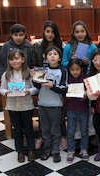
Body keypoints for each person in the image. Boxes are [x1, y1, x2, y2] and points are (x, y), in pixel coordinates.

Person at [31, 20, 67, 150]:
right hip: (41, 81)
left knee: (58, 112)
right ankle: (42, 137)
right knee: (44, 113)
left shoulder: (61, 45)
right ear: (44, 32)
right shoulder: (37, 45)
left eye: (52, 32)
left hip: (56, 81)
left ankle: (62, 136)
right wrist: (34, 73)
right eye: (47, 31)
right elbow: (34, 62)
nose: (50, 34)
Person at [0, 50, 38, 163]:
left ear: (23, 59)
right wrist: (6, 93)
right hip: (12, 106)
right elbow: (2, 88)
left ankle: (31, 149)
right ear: (8, 61)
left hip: (26, 105)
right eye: (12, 59)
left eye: (17, 58)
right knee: (17, 130)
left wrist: (28, 91)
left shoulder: (28, 73)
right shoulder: (6, 74)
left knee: (28, 128)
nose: (14, 61)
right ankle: (20, 151)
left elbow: (35, 88)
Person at [66, 58, 89, 163]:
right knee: (70, 131)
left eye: (77, 69)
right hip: (71, 109)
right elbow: (63, 93)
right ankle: (71, 150)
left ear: (81, 69)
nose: (75, 72)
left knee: (84, 131)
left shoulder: (85, 80)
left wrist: (86, 95)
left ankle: (84, 149)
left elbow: (90, 92)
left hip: (83, 109)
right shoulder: (67, 80)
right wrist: (66, 96)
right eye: (72, 69)